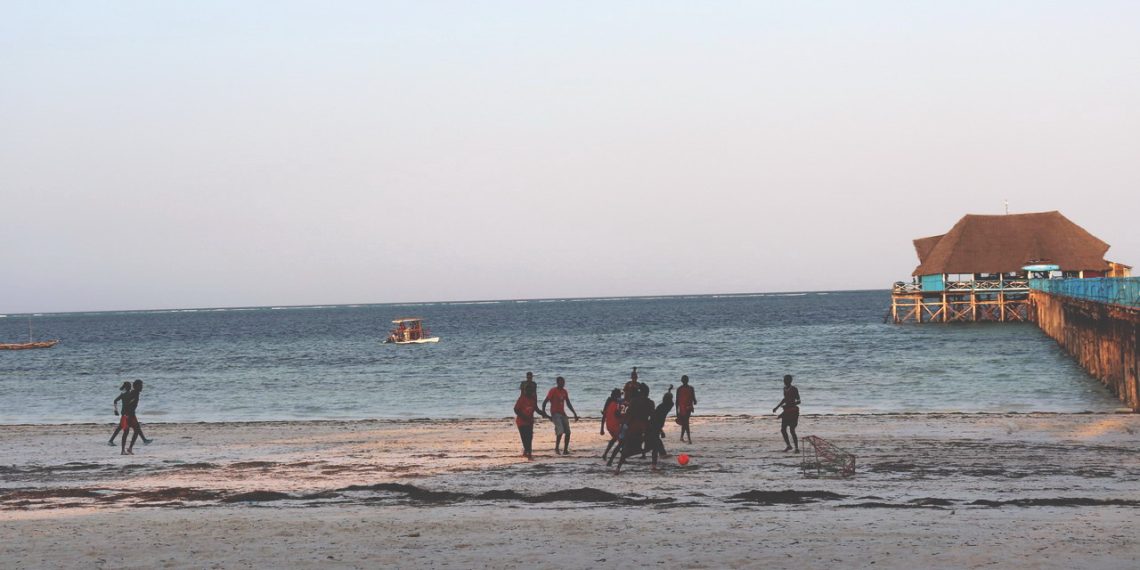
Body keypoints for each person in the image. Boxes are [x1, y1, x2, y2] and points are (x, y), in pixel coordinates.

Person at [612, 383, 655, 474]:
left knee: (626, 448)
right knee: (655, 444)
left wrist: (623, 427)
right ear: (646, 392)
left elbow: (628, 415)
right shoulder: (650, 403)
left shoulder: (634, 401)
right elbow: (652, 417)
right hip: (644, 429)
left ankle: (618, 468)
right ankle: (653, 466)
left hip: (632, 427)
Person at [541, 376, 579, 455]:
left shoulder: (564, 391)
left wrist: (574, 413)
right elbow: (545, 402)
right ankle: (556, 448)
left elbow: (568, 403)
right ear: (557, 382)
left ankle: (565, 450)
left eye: (563, 382)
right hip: (555, 413)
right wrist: (544, 413)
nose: (563, 383)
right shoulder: (553, 390)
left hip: (563, 413)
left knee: (568, 432)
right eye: (561, 382)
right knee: (560, 431)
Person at [514, 381, 548, 460]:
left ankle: (528, 453)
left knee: (530, 437)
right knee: (524, 438)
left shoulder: (533, 399)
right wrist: (524, 417)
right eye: (528, 391)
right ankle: (528, 453)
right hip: (521, 422)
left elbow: (536, 409)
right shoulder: (521, 399)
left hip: (529, 422)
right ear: (525, 391)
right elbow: (516, 410)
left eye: (531, 391)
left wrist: (545, 414)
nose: (529, 392)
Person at [119, 380, 152, 455]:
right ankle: (124, 450)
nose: (142, 387)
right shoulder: (133, 393)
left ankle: (129, 449)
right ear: (136, 386)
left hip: (131, 414)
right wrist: (126, 414)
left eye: (142, 385)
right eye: (141, 386)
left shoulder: (136, 393)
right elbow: (127, 403)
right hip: (128, 415)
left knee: (136, 431)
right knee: (127, 432)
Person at [772, 374, 801, 452]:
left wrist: (791, 404)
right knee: (783, 429)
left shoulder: (794, 389)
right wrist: (777, 407)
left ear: (790, 381)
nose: (784, 381)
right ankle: (788, 446)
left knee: (792, 430)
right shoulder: (784, 389)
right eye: (784, 380)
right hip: (786, 412)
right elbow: (785, 399)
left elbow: (799, 401)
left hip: (793, 412)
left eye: (786, 380)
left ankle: (796, 448)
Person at [646, 385, 674, 460]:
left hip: (655, 422)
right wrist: (669, 390)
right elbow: (669, 398)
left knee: (655, 438)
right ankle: (662, 453)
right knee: (656, 438)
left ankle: (661, 453)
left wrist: (669, 391)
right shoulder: (668, 405)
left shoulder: (662, 406)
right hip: (657, 422)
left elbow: (655, 416)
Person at [600, 389, 623, 461]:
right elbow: (618, 415)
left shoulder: (610, 403)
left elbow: (604, 415)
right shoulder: (616, 404)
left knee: (615, 439)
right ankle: (622, 456)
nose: (620, 396)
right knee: (621, 441)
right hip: (614, 425)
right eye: (620, 395)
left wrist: (602, 428)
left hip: (609, 425)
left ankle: (605, 454)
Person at [108, 382, 132, 446]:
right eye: (130, 386)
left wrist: (116, 410)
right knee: (122, 428)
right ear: (127, 387)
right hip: (126, 414)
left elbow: (115, 401)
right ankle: (110, 441)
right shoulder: (129, 394)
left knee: (121, 427)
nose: (130, 387)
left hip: (125, 413)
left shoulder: (123, 394)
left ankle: (111, 440)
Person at [675, 375, 697, 443]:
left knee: (685, 422)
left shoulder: (679, 389)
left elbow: (677, 401)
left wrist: (677, 411)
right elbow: (694, 399)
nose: (685, 381)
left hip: (685, 408)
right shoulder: (690, 388)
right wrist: (694, 401)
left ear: (682, 381)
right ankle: (686, 438)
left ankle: (685, 438)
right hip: (685, 408)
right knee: (685, 422)